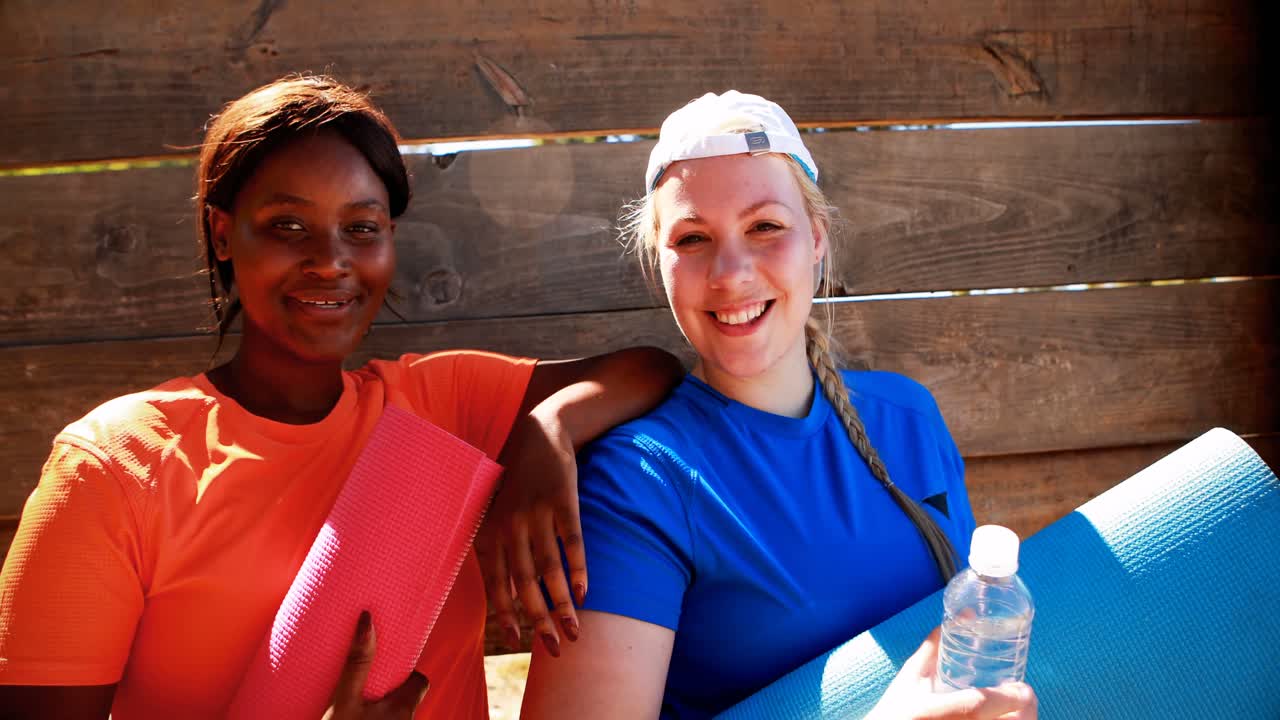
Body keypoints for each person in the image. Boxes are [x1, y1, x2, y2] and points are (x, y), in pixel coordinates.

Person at [0, 75, 683, 720]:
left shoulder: (438, 408)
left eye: (362, 227)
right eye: (288, 226)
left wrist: (548, 429)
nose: (331, 260)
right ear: (221, 233)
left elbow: (648, 369)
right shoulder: (118, 468)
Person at [519, 91, 1038, 719]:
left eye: (765, 226)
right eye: (693, 238)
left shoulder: (910, 419)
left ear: (816, 240)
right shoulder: (639, 482)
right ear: (661, 268)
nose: (730, 272)